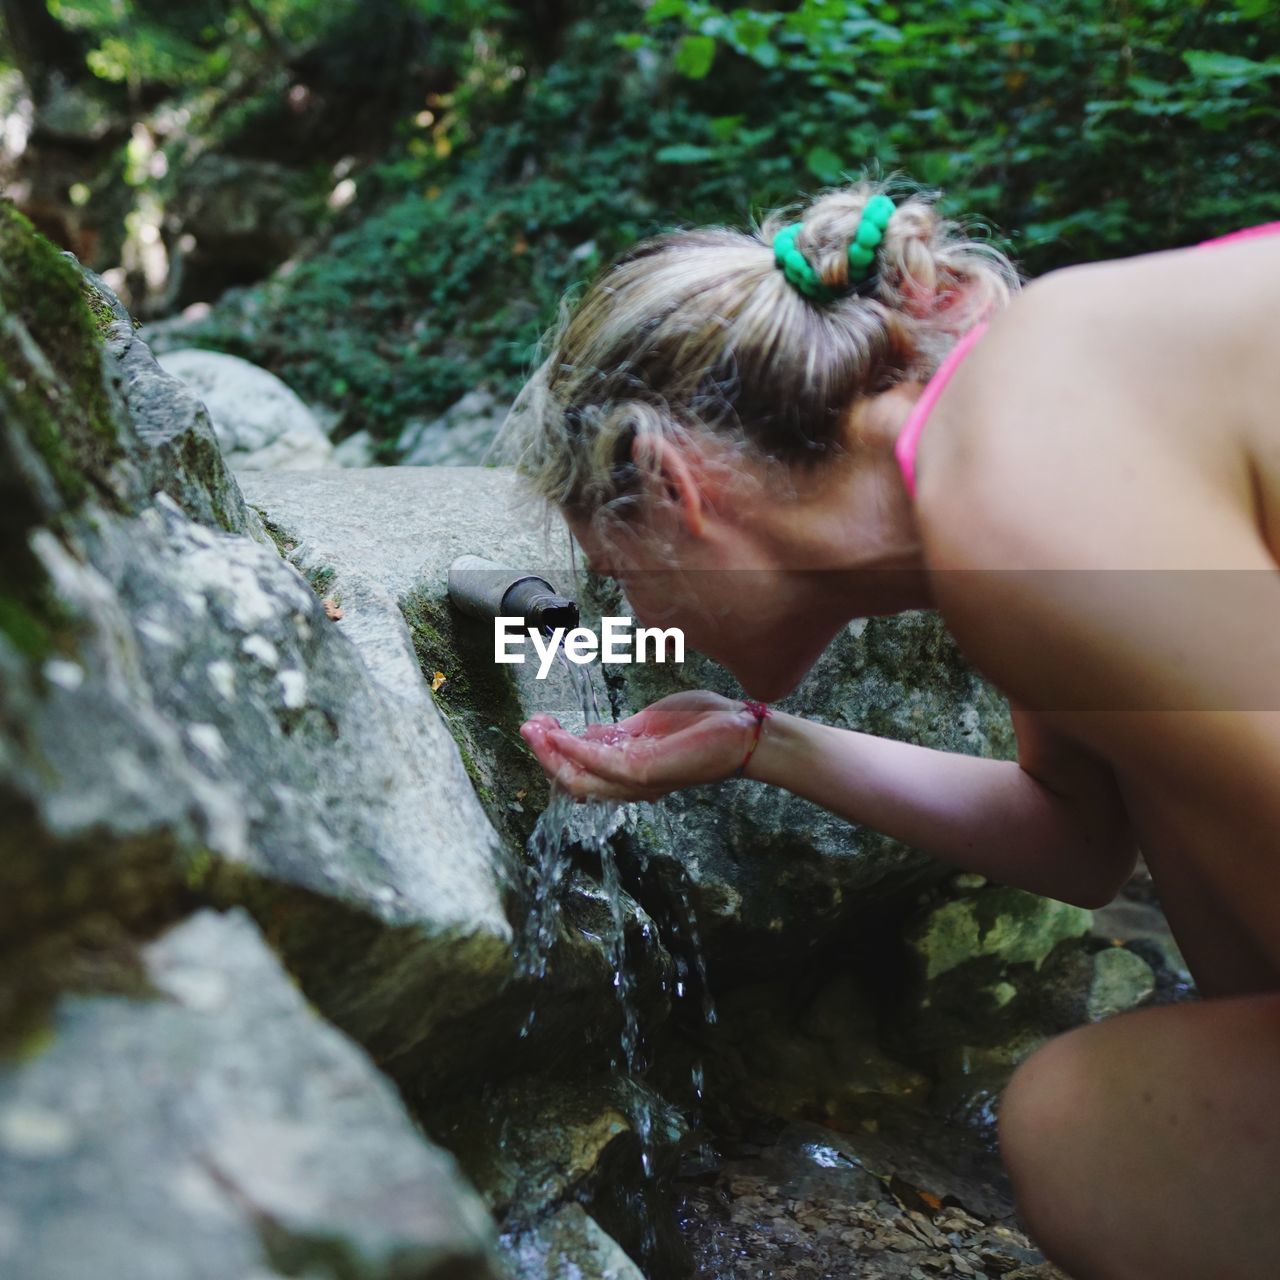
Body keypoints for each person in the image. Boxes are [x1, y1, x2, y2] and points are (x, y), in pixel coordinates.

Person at [495, 176, 1280, 1280]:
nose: (631, 619)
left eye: (614, 574)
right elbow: (1078, 834)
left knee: (1100, 1131)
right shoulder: (1014, 434)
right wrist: (755, 738)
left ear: (675, 489)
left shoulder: (1017, 500)